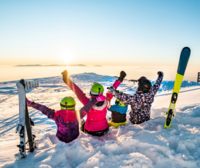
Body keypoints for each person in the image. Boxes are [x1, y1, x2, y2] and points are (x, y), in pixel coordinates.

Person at [62, 70, 126, 136]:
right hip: (104, 129)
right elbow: (113, 88)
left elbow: (78, 92)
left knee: (82, 123)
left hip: (90, 131)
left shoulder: (87, 102)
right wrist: (120, 79)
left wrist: (67, 81)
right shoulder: (106, 100)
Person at [26, 95, 105, 143]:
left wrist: (31, 104)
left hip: (61, 139)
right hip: (75, 137)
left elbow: (44, 109)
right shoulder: (77, 115)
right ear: (73, 105)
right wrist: (96, 99)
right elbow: (87, 107)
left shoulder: (56, 115)